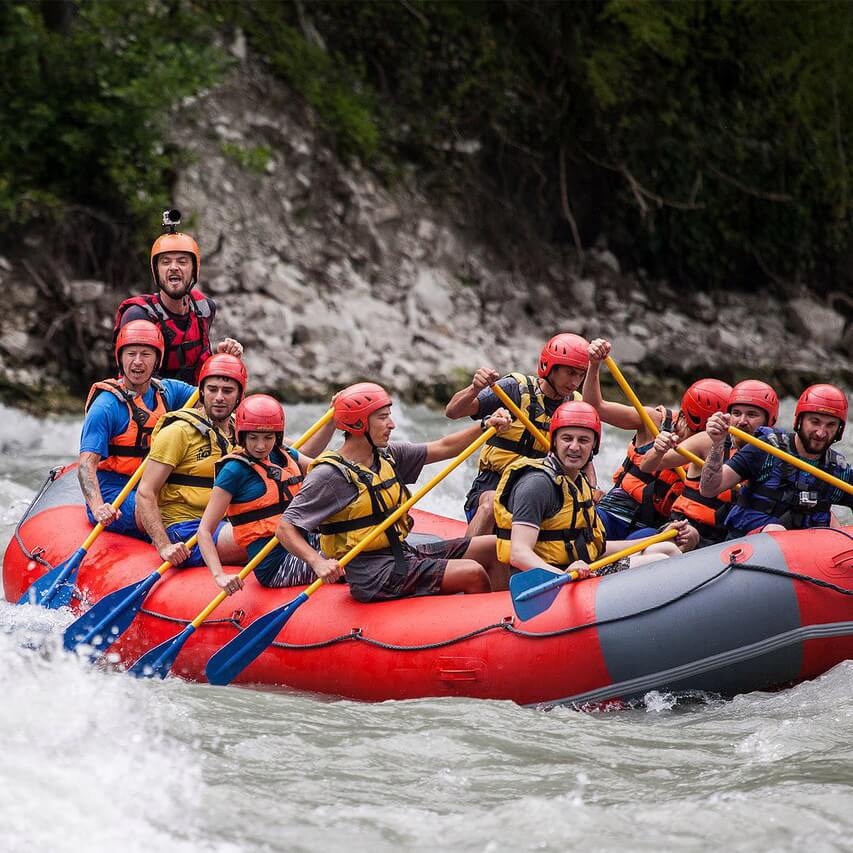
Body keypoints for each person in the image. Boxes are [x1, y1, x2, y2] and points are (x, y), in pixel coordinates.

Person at [277, 382, 514, 602]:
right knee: (471, 572)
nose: (392, 424)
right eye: (383, 418)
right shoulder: (330, 475)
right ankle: (482, 630)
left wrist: (485, 425)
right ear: (359, 424)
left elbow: (444, 447)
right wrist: (317, 562)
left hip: (401, 553)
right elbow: (285, 528)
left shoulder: (387, 455)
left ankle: (504, 618)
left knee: (496, 547)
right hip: (373, 575)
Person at [493, 401, 696, 578]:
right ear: (554, 441)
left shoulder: (579, 483)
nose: (574, 447)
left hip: (583, 569)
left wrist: (657, 537)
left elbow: (598, 548)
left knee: (667, 549)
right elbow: (519, 553)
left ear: (594, 446)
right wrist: (562, 574)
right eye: (567, 438)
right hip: (551, 579)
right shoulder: (537, 484)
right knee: (659, 560)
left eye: (583, 440)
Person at [445, 333, 591, 536]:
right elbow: (453, 411)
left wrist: (592, 489)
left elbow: (586, 459)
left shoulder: (576, 404)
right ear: (550, 367)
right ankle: (465, 560)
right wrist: (475, 388)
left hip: (540, 490)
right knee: (490, 504)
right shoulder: (514, 389)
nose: (575, 382)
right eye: (570, 373)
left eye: (581, 375)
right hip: (493, 485)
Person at [583, 338, 731, 538]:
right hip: (612, 512)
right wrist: (594, 364)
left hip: (652, 528)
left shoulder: (715, 449)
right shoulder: (653, 420)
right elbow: (595, 407)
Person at [197, 394, 329, 594]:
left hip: (304, 543)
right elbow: (204, 531)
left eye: (268, 437)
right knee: (351, 563)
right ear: (242, 435)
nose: (260, 446)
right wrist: (219, 575)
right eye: (253, 438)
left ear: (278, 436)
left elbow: (325, 472)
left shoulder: (285, 456)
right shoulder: (234, 470)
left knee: (359, 544)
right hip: (275, 564)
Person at [78, 320, 196, 538]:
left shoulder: (168, 391)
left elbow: (216, 401)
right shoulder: (106, 406)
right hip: (115, 491)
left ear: (157, 360)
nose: (138, 362)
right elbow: (86, 466)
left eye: (146, 354)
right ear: (120, 358)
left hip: (153, 486)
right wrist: (97, 507)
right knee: (166, 513)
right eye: (131, 354)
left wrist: (224, 362)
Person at [135, 353, 249, 567]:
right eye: (212, 389)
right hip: (186, 528)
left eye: (227, 391)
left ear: (239, 396)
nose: (219, 397)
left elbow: (294, 455)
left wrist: (330, 424)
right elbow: (145, 491)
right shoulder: (178, 432)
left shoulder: (244, 430)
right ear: (201, 392)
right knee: (261, 536)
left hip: (226, 521)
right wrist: (164, 546)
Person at [638, 380, 780, 545]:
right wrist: (658, 449)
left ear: (769, 421)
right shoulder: (708, 440)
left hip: (723, 542)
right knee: (686, 536)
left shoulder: (776, 456)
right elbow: (647, 466)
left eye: (752, 414)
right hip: (683, 528)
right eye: (736, 413)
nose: (742, 421)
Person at [700, 383, 853, 535]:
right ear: (799, 421)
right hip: (746, 550)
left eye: (830, 425)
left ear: (840, 430)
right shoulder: (765, 449)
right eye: (815, 422)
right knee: (776, 530)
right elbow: (709, 489)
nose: (821, 433)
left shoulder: (838, 471)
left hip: (804, 554)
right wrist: (718, 443)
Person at [114, 215, 242, 384]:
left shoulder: (205, 309)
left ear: (194, 269)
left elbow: (200, 373)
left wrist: (221, 359)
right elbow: (136, 382)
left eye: (182, 262)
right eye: (166, 262)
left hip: (192, 405)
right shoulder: (138, 315)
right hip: (149, 405)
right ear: (157, 271)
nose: (174, 267)